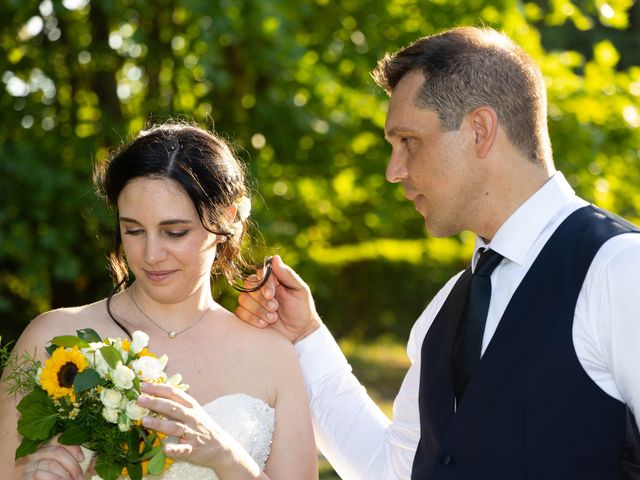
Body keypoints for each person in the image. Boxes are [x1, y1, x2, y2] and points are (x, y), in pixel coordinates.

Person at [235, 26, 640, 479]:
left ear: (479, 130)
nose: (394, 171)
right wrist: (304, 338)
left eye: (408, 141)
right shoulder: (448, 308)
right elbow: (391, 470)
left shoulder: (620, 269)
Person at [0, 122, 317, 479]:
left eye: (174, 232)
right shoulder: (50, 337)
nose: (151, 254)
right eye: (133, 230)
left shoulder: (272, 356)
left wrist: (226, 457)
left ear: (227, 219)